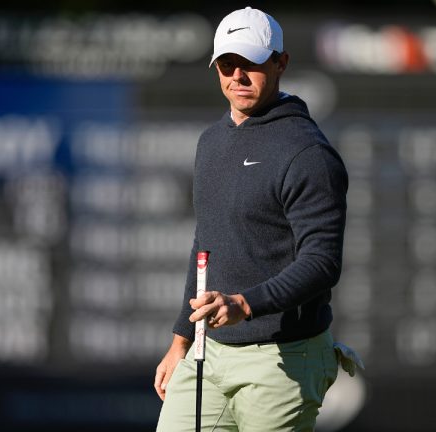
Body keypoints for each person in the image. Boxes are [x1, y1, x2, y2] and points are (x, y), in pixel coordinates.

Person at [154, 7, 348, 431]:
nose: (238, 76)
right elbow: (205, 243)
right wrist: (180, 341)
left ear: (281, 63)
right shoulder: (211, 141)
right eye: (227, 64)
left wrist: (245, 304)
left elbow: (322, 263)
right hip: (209, 353)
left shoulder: (307, 153)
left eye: (252, 63)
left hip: (284, 359)